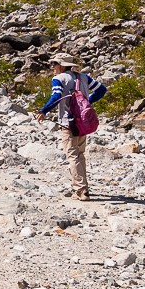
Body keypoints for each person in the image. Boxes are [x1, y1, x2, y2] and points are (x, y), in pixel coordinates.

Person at [36, 53, 107, 201]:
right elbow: (102, 90)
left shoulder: (59, 79)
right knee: (80, 154)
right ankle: (84, 187)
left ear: (61, 65)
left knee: (72, 156)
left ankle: (80, 190)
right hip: (83, 120)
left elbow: (56, 96)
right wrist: (88, 102)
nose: (53, 67)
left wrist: (44, 111)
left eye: (54, 64)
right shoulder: (84, 77)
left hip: (68, 122)